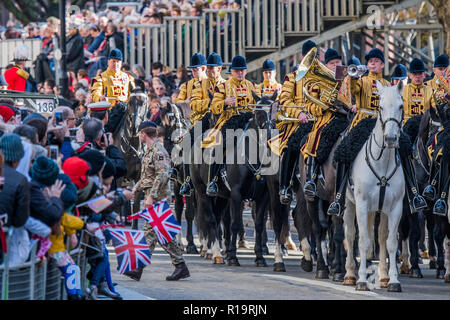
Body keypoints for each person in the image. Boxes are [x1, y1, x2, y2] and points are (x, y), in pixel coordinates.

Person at [328, 48, 391, 216]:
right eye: (370, 61)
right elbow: (352, 91)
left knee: (405, 148)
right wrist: (353, 76)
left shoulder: (386, 84)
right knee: (343, 151)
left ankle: (412, 193)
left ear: (382, 64)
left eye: (376, 61)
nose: (372, 63)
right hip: (363, 122)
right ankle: (339, 198)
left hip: (383, 123)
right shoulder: (362, 80)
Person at [129, 121, 190, 281]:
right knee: (163, 234)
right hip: (152, 194)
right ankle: (180, 266)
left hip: (158, 197)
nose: (139, 136)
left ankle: (138, 268)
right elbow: (147, 175)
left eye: (140, 134)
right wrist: (137, 187)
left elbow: (162, 175)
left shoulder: (159, 151)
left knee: (149, 231)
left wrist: (151, 196)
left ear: (143, 134)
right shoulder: (149, 150)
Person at [203, 55, 260, 196]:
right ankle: (213, 180)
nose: (240, 73)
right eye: (237, 70)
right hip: (230, 121)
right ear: (231, 72)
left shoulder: (252, 86)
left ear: (246, 71)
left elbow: (259, 103)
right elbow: (214, 107)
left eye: (242, 70)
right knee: (220, 145)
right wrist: (225, 102)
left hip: (249, 120)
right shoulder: (222, 87)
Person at [268, 40, 317, 204]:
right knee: (290, 146)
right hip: (297, 122)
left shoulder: (323, 78)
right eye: (308, 55)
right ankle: (285, 187)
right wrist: (300, 113)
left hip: (318, 121)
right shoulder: (292, 78)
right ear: (302, 57)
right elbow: (286, 101)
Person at [300, 48, 349, 198]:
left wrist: (353, 105)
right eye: (332, 63)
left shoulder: (348, 78)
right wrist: (323, 106)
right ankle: (312, 178)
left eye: (338, 62)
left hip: (349, 118)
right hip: (326, 119)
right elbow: (309, 105)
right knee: (315, 138)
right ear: (326, 65)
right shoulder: (318, 81)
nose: (335, 65)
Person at [179, 52, 226, 196]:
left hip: (222, 118)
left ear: (219, 69)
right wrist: (210, 103)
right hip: (205, 117)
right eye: (210, 68)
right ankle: (187, 180)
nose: (211, 71)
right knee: (187, 141)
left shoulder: (226, 84)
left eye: (213, 68)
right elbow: (193, 103)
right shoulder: (200, 84)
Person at [90, 48, 136, 134]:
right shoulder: (101, 78)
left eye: (118, 61)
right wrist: (100, 98)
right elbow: (94, 93)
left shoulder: (128, 78)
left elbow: (134, 93)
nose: (116, 64)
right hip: (109, 113)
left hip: (127, 112)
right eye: (113, 61)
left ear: (121, 63)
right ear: (108, 62)